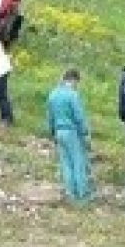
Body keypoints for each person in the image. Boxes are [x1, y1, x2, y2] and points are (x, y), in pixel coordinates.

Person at [47, 68, 94, 203]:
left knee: (66, 164)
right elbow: (79, 116)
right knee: (78, 163)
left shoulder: (53, 94)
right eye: (77, 82)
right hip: (71, 132)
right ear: (73, 80)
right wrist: (85, 133)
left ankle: (71, 194)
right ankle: (82, 196)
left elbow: (50, 116)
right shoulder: (72, 95)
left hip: (58, 132)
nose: (77, 85)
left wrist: (52, 133)